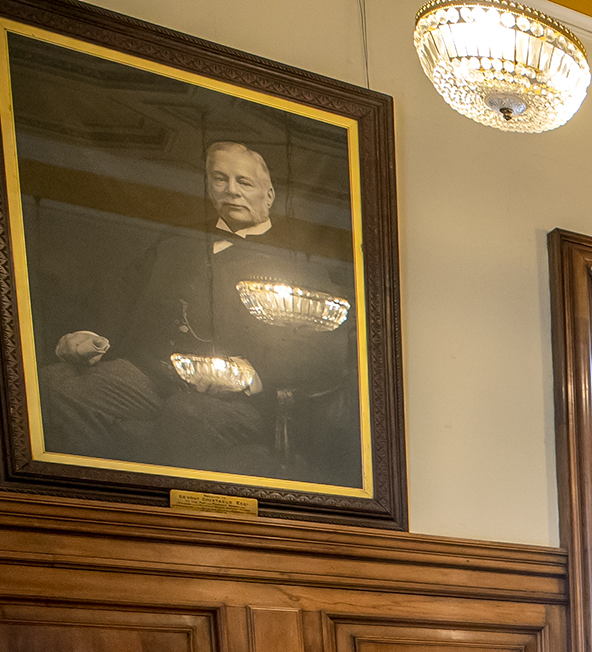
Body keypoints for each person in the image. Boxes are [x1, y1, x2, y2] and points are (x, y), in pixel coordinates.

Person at [38, 138, 359, 483]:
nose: (231, 190)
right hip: (152, 376)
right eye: (221, 180)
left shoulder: (300, 260)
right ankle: (100, 496)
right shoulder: (176, 242)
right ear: (209, 187)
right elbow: (121, 293)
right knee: (57, 384)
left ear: (268, 195)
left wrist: (252, 375)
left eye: (244, 182)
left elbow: (324, 345)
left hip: (241, 401)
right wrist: (90, 334)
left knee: (185, 415)